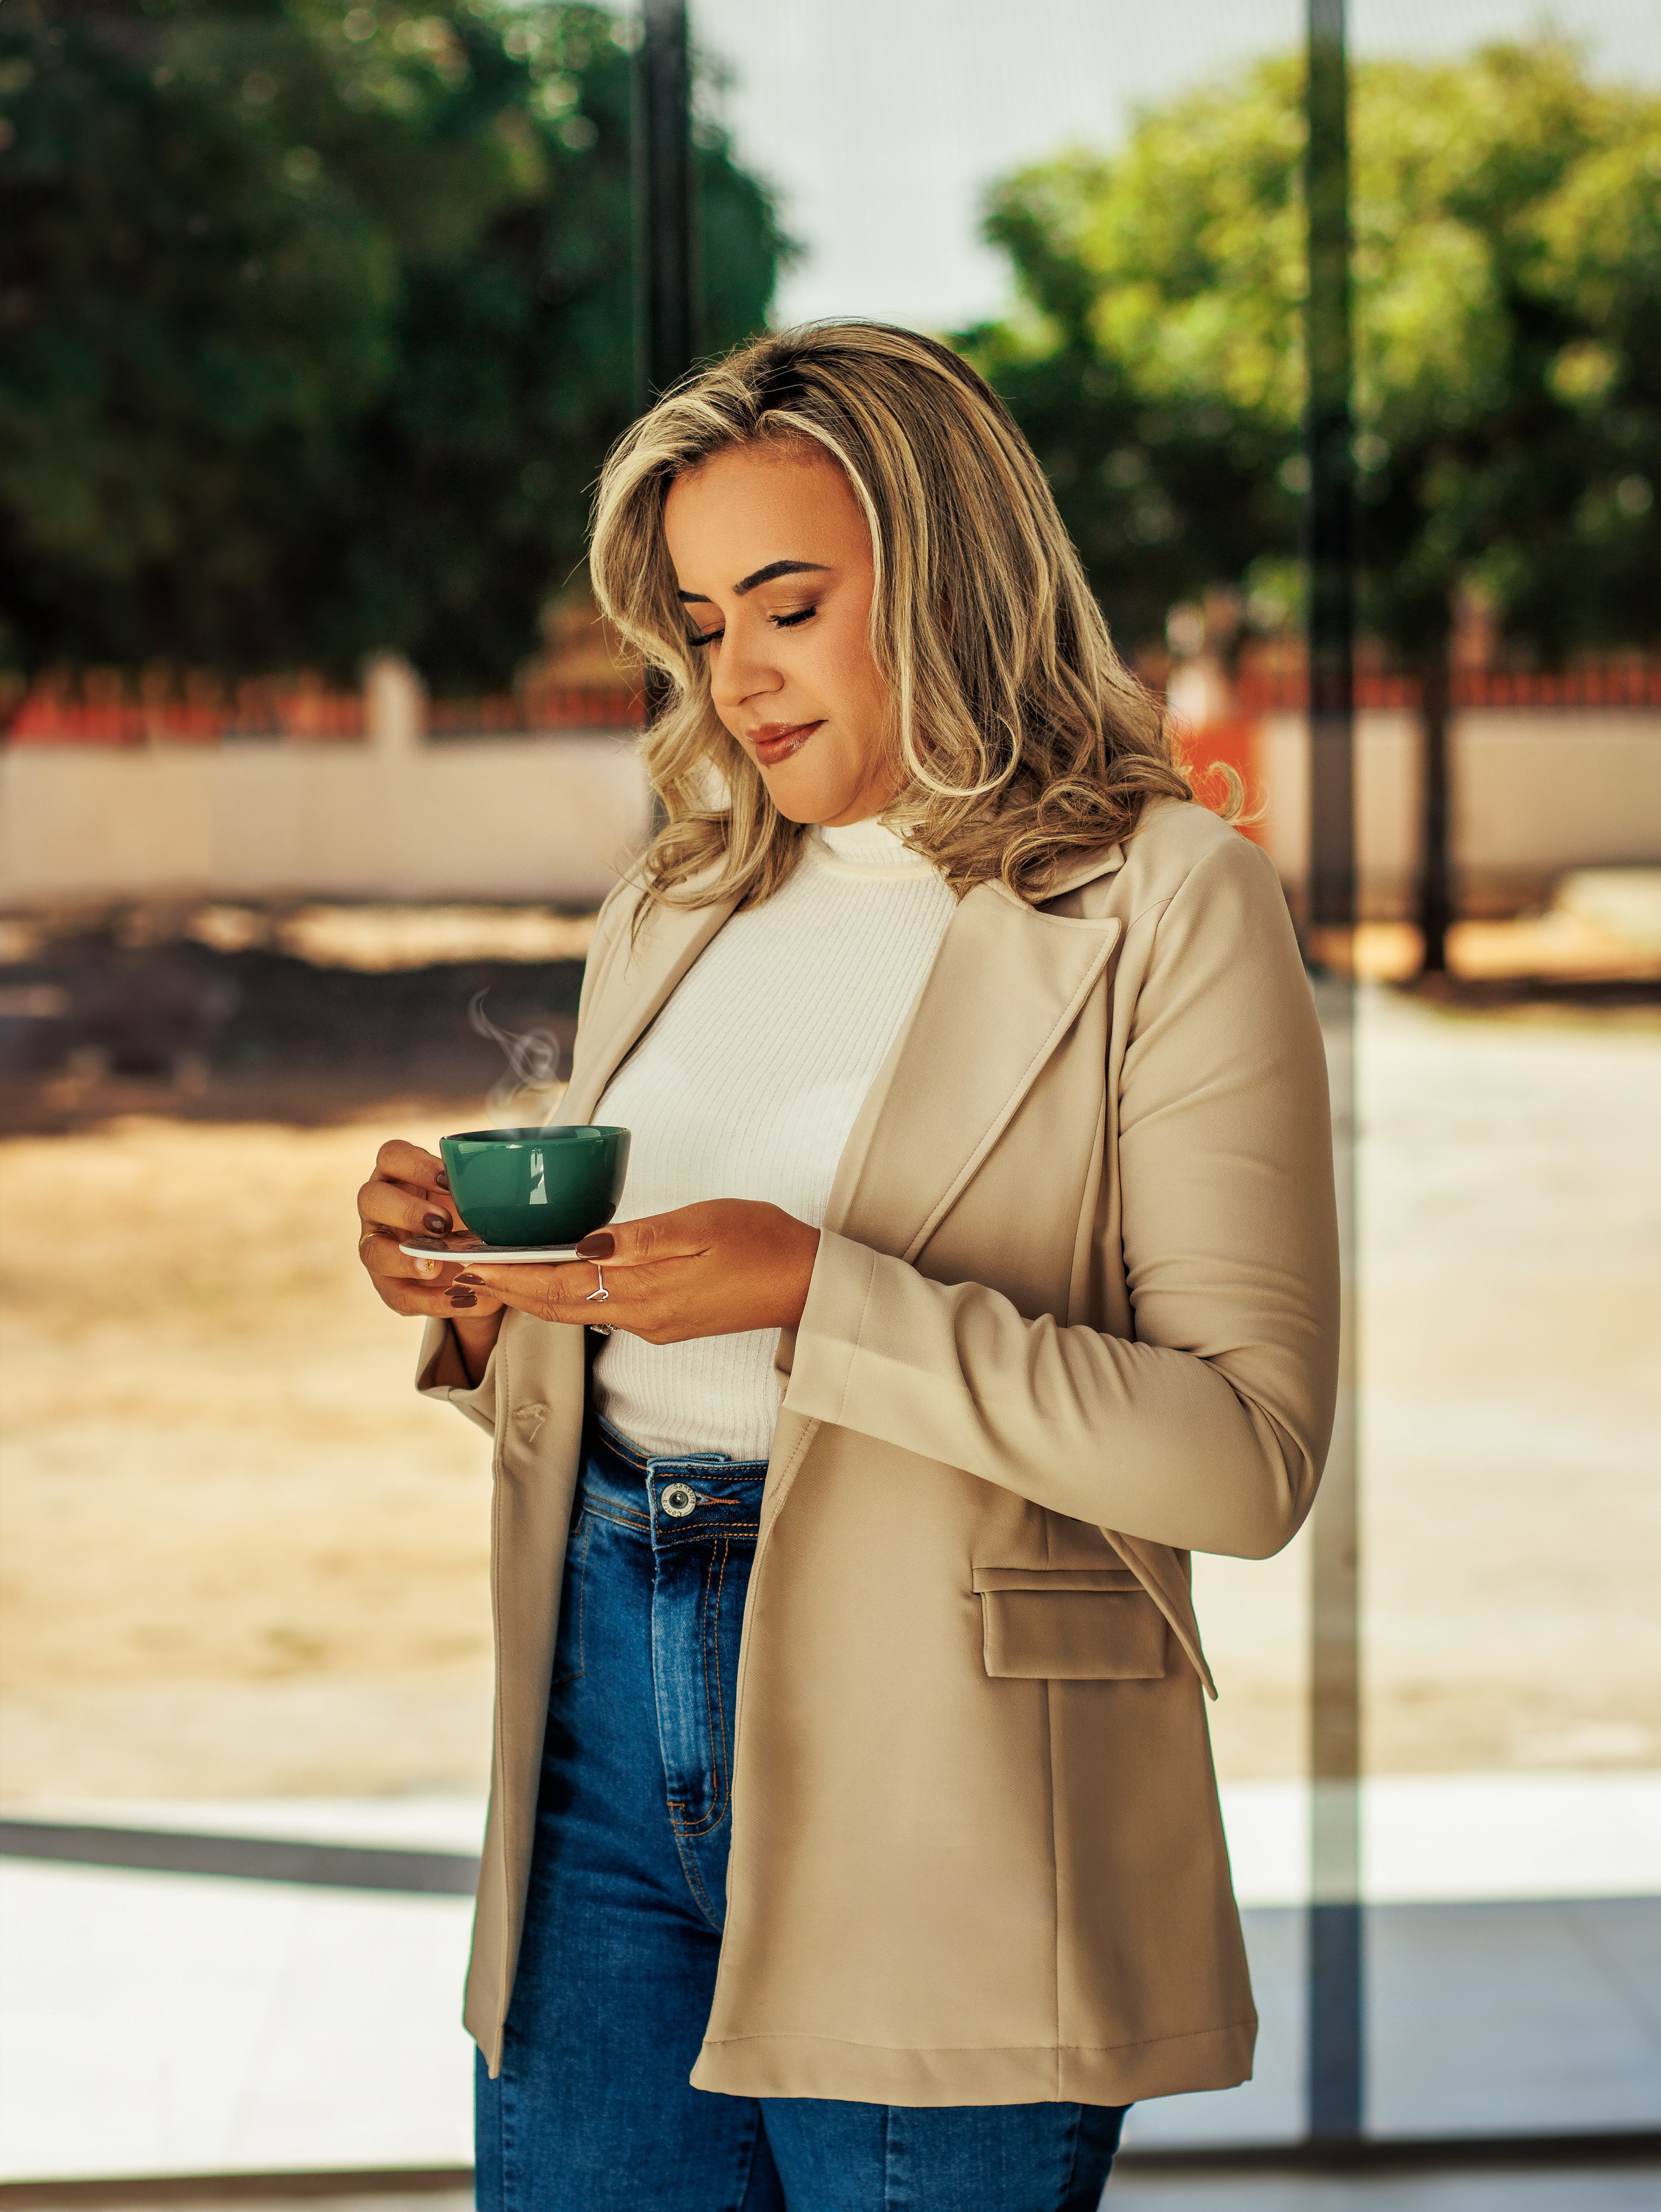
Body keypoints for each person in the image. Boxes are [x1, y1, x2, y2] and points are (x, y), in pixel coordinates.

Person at [355, 322, 1339, 2212]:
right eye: (702, 622)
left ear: (949, 579)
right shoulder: (676, 899)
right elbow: (660, 1334)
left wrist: (821, 1291)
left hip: (948, 1774)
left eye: (790, 606)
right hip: (597, 1725)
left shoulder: (1166, 900)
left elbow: (1244, 1457)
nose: (737, 676)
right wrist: (486, 1299)